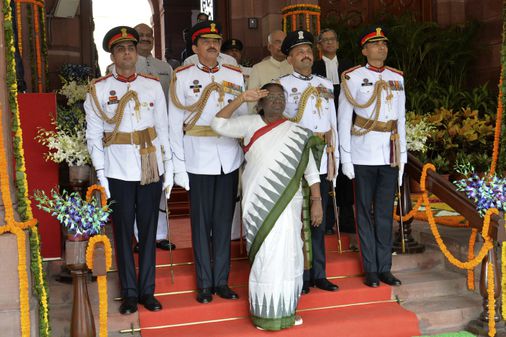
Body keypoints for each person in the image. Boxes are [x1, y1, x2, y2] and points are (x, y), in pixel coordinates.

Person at [211, 83, 323, 330]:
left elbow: (311, 172)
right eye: (270, 97)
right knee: (267, 257)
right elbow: (217, 124)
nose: (277, 101)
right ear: (260, 102)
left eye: (281, 97)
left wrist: (317, 201)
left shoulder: (298, 132)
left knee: (290, 255)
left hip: (289, 204)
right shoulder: (249, 123)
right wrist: (241, 99)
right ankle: (264, 314)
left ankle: (288, 311)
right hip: (258, 203)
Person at [84, 26, 173, 314]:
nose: (127, 53)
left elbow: (163, 128)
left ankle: (148, 291)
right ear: (112, 55)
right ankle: (129, 293)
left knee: (148, 231)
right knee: (123, 233)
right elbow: (94, 135)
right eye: (121, 49)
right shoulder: (99, 89)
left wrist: (168, 168)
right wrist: (101, 174)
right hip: (118, 170)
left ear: (137, 53)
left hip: (149, 167)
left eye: (131, 48)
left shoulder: (151, 85)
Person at [168, 20, 246, 304]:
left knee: (224, 222)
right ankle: (204, 283)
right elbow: (174, 125)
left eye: (216, 40)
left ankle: (221, 280)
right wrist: (179, 167)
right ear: (194, 47)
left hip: (228, 156)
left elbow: (243, 117)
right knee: (201, 225)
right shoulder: (183, 76)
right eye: (205, 41)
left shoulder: (235, 75)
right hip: (198, 157)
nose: (212, 45)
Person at [338, 26, 406, 288]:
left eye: (384, 44)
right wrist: (346, 159)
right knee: (364, 212)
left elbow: (400, 120)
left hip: (388, 154)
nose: (382, 48)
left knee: (385, 214)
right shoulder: (352, 77)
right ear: (364, 50)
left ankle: (385, 267)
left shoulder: (397, 78)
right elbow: (344, 120)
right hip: (363, 153)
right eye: (375, 44)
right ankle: (370, 269)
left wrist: (402, 159)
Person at [278, 30, 339, 294]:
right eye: (299, 51)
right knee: (297, 219)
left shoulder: (324, 85)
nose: (306, 55)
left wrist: (336, 155)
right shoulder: (280, 85)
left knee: (319, 216)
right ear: (290, 58)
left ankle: (319, 274)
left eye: (308, 50)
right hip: (296, 158)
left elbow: (332, 123)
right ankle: (300, 274)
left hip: (322, 157)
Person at [131, 23, 176, 253]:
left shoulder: (165, 68)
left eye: (150, 35)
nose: (147, 38)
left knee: (160, 187)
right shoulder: (125, 65)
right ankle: (140, 237)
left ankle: (160, 235)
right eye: (142, 35)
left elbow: (172, 101)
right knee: (139, 186)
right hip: (134, 138)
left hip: (160, 136)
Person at [312, 28, 355, 239]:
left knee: (346, 175)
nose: (329, 43)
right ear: (319, 46)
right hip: (325, 126)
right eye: (324, 41)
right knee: (327, 173)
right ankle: (328, 221)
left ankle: (347, 220)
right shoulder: (314, 67)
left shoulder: (349, 66)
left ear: (337, 43)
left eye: (332, 39)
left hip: (346, 125)